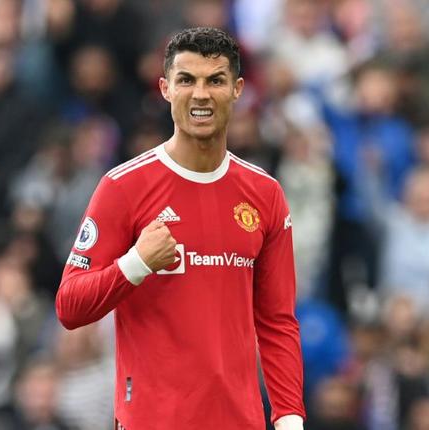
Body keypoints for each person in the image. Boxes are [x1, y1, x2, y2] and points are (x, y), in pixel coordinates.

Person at [55, 27, 305, 429]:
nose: (201, 95)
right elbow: (69, 305)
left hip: (238, 420)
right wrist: (136, 263)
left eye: (215, 81)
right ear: (165, 89)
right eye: (186, 80)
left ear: (237, 89)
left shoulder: (265, 194)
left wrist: (290, 417)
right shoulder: (123, 187)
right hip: (152, 420)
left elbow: (277, 321)